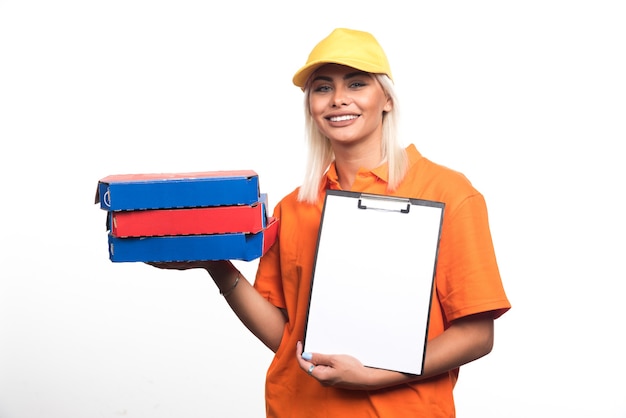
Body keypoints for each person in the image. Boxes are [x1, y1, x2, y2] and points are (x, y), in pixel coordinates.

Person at [153, 27, 511, 417]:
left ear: (387, 99)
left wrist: (378, 375)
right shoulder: (295, 207)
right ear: (310, 105)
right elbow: (288, 339)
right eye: (322, 88)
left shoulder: (448, 193)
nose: (338, 99)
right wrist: (216, 265)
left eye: (356, 84)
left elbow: (477, 334)